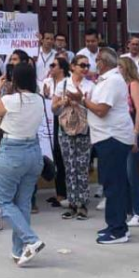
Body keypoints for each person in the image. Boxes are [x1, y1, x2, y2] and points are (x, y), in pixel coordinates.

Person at [0, 63, 47, 266]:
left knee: (1, 201)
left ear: (15, 79)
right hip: (33, 151)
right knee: (22, 203)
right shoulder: (39, 99)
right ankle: (18, 249)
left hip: (12, 150)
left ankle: (31, 240)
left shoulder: (10, 99)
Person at [84, 48, 135, 244]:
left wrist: (83, 101)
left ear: (103, 62)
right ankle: (115, 223)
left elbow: (102, 110)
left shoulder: (112, 80)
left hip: (113, 137)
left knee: (114, 185)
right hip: (106, 137)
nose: (95, 63)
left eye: (96, 60)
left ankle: (118, 230)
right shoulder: (106, 80)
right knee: (111, 183)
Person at [53, 55, 93, 220]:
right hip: (66, 128)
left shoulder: (91, 85)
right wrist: (63, 102)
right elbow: (53, 108)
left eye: (87, 65)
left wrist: (81, 101)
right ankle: (72, 202)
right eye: (82, 65)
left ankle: (82, 203)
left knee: (82, 166)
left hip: (84, 128)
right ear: (73, 67)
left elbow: (93, 108)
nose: (85, 68)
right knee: (69, 166)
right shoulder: (62, 84)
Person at [117, 56, 139, 226]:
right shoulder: (120, 85)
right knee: (125, 173)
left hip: (133, 132)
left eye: (120, 67)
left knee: (132, 173)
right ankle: (129, 209)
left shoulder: (133, 84)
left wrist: (134, 134)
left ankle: (138, 211)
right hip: (123, 131)